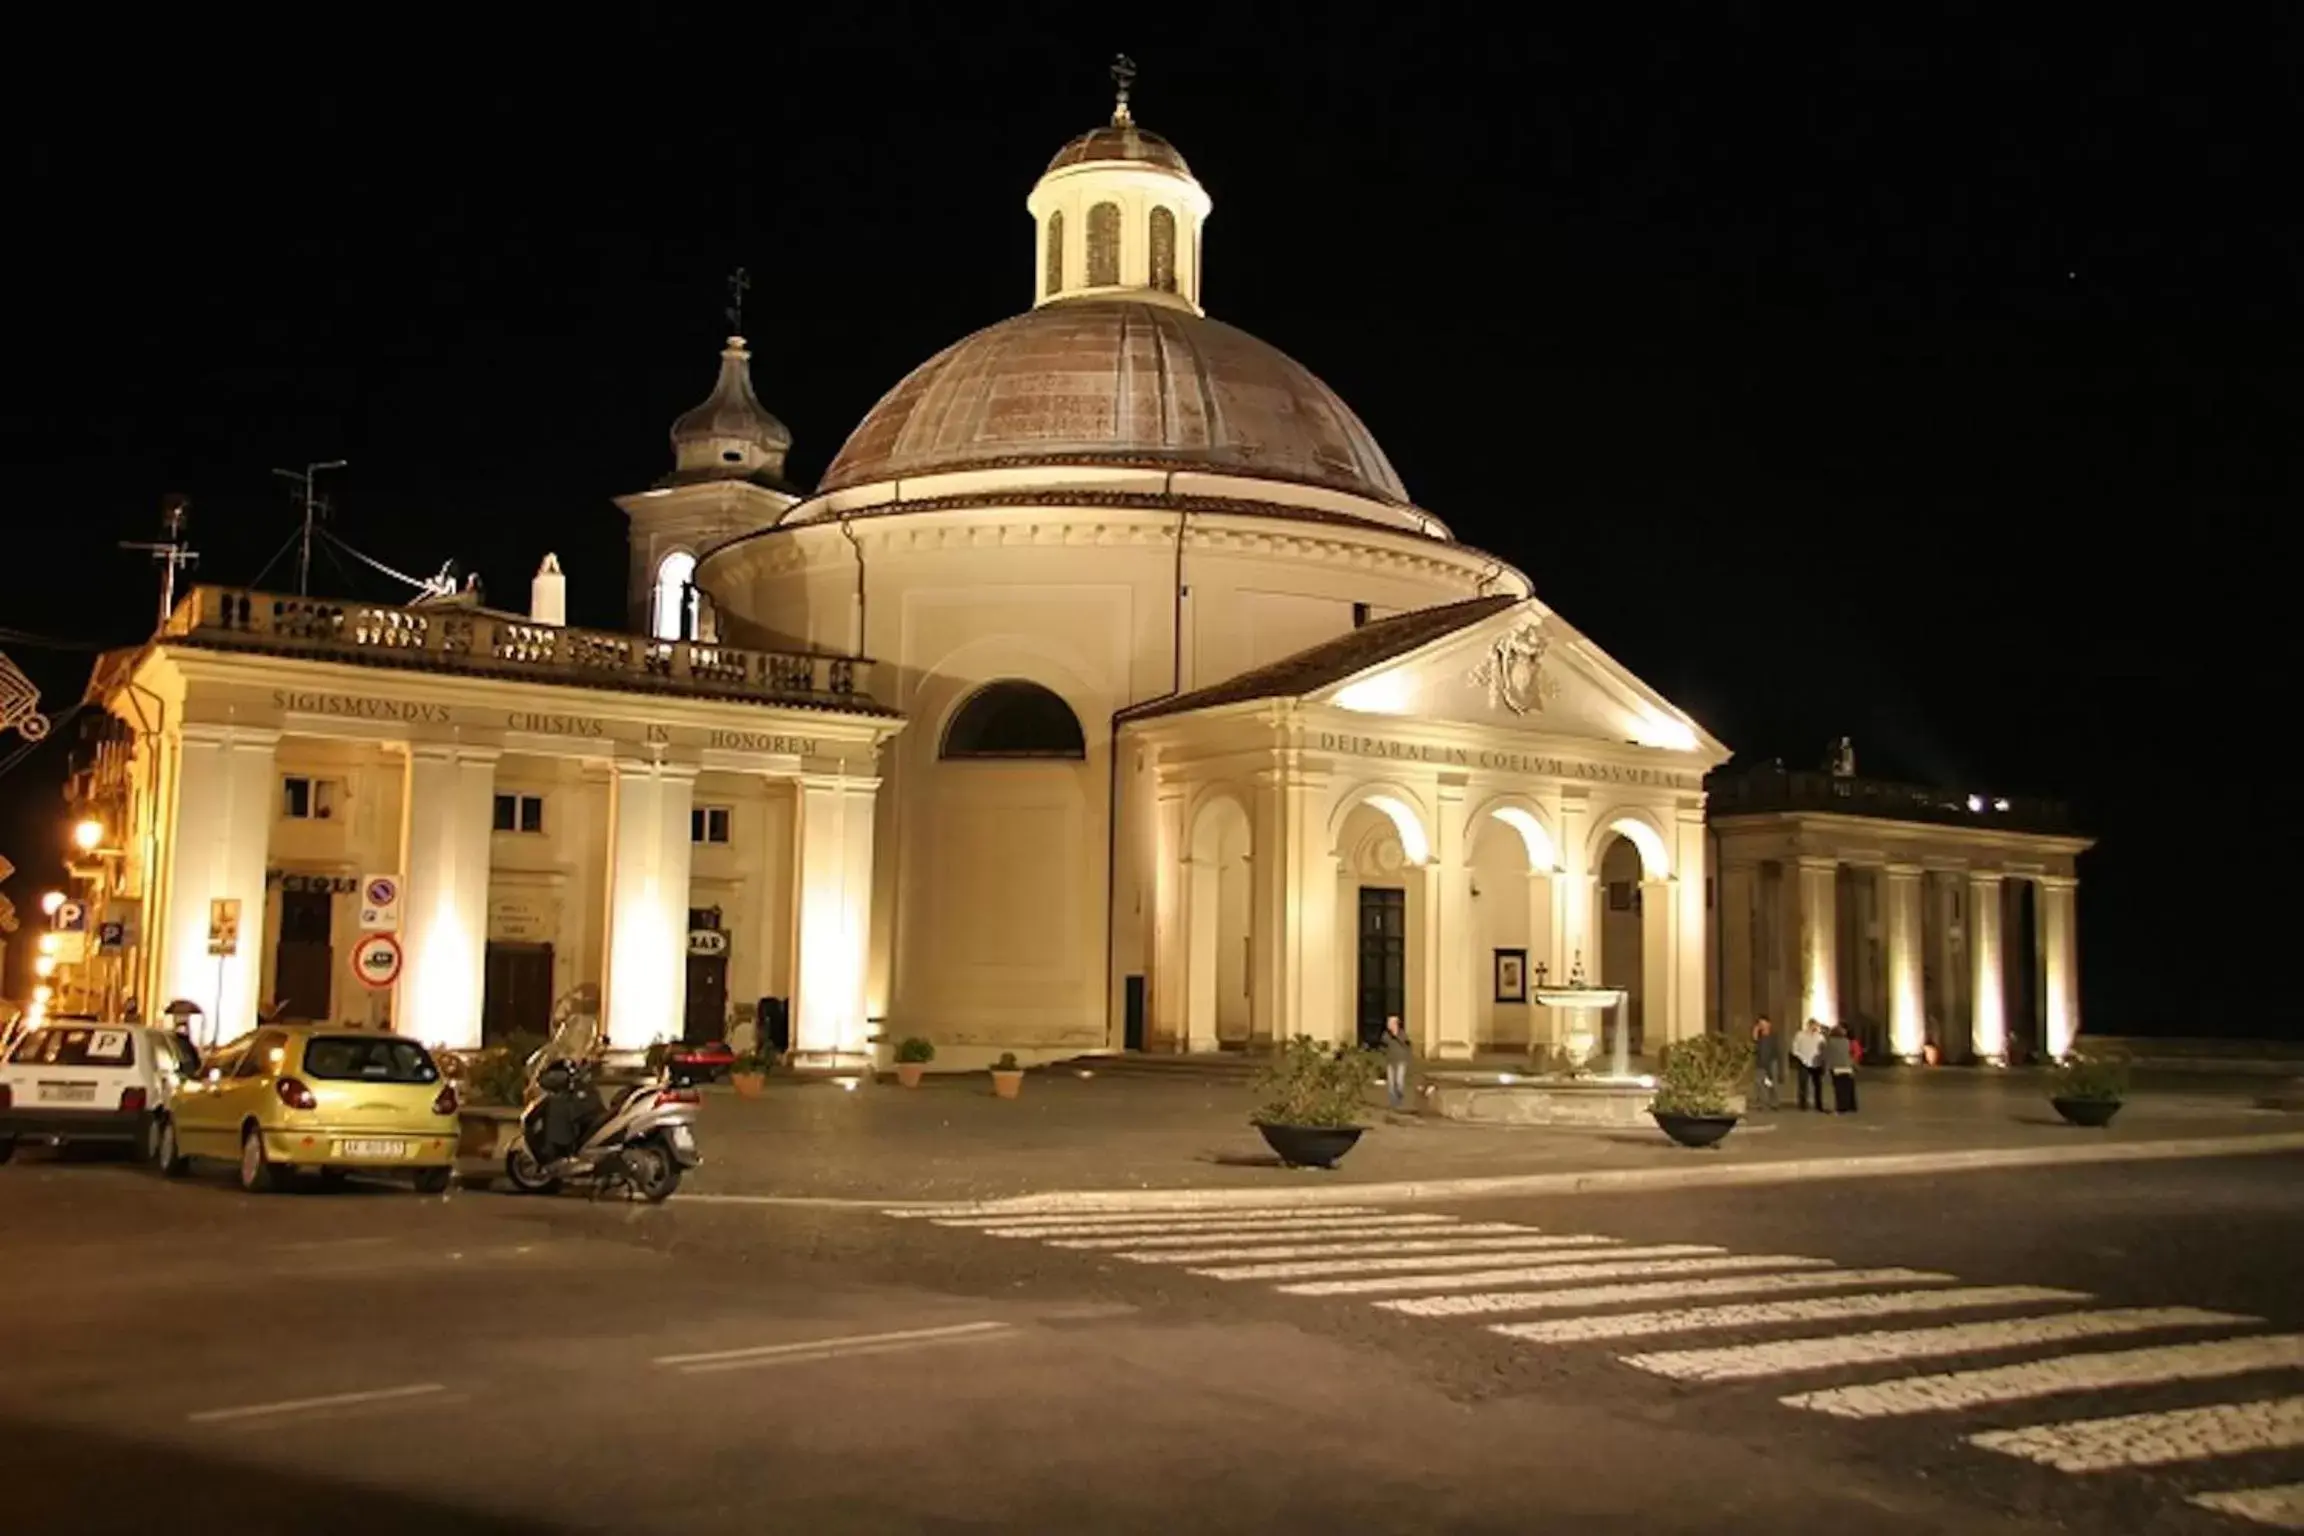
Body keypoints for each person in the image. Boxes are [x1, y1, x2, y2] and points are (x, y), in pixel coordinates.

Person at [1791, 1018, 1825, 1111]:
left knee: (1818, 1085)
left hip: (1816, 1063)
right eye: (1812, 1026)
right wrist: (1800, 1057)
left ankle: (1819, 1105)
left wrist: (1821, 1060)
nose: (1814, 1028)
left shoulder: (1820, 1037)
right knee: (1803, 1084)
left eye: (1816, 1026)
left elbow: (1823, 1050)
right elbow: (1795, 1048)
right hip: (1804, 1061)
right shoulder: (1800, 1035)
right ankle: (1802, 1104)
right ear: (1808, 1025)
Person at [1749, 1016, 1780, 1111]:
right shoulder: (1759, 1036)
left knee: (1771, 1084)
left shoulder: (1773, 1036)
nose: (1762, 1026)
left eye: (1763, 1023)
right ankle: (1762, 1103)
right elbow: (1753, 1045)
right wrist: (1755, 1031)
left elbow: (1777, 1050)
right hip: (1760, 1063)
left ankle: (1774, 1103)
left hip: (1771, 1063)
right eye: (1760, 1024)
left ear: (1769, 1024)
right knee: (1759, 1083)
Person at [1825, 1023, 1858, 1114]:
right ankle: (1849, 1106)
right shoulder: (1846, 1041)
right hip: (1847, 1067)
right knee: (1847, 1088)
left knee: (1839, 1089)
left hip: (1836, 1068)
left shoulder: (1830, 1042)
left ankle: (1840, 1107)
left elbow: (1828, 1055)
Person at [1382, 1015, 1413, 1110]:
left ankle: (1399, 1097)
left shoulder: (1402, 1033)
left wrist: (1396, 1036)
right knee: (1391, 1083)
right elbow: (1383, 1043)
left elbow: (1406, 1043)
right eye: (1388, 1023)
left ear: (1395, 1024)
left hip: (1401, 1060)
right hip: (1390, 1061)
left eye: (1390, 1023)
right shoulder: (1386, 1034)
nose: (1388, 1025)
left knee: (1399, 1082)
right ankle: (1393, 1103)